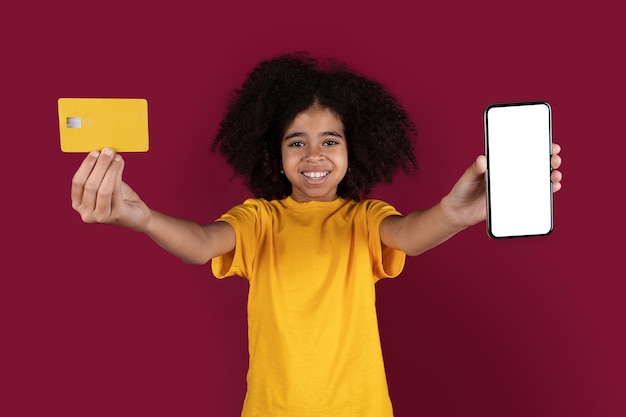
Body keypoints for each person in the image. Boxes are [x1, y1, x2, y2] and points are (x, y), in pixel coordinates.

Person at [71, 52, 563, 417]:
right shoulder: (259, 220)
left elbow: (409, 234)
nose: (314, 155)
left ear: (353, 151)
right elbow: (201, 244)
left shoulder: (364, 219)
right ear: (274, 154)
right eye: (297, 142)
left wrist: (454, 214)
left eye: (330, 140)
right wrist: (144, 219)